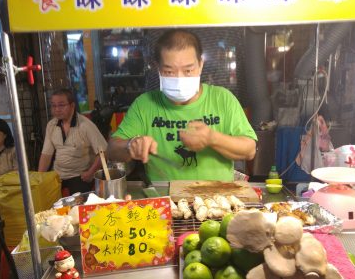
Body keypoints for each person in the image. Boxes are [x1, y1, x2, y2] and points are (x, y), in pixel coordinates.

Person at [107, 29, 257, 181]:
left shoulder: (222, 99)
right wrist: (130, 145)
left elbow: (249, 150)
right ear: (158, 69)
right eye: (169, 71)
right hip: (164, 200)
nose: (179, 78)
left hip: (217, 200)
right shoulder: (144, 104)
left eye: (188, 70)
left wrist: (213, 138)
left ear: (200, 65)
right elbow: (112, 149)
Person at [38, 89, 107, 196]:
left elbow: (103, 152)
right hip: (57, 175)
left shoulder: (85, 125)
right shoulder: (51, 125)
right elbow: (46, 155)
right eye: (53, 106)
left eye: (61, 105)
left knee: (78, 205)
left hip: (80, 176)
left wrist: (90, 173)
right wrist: (40, 178)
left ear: (72, 106)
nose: (57, 109)